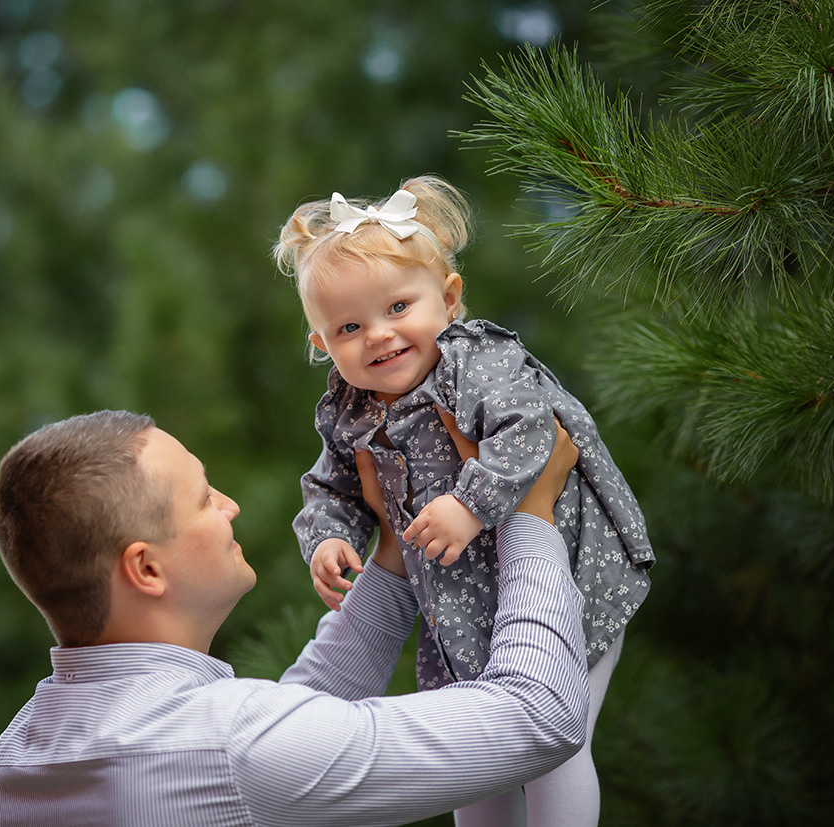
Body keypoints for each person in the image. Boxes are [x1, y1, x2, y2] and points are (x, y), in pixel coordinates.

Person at [0, 408, 588, 826]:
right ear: (146, 570)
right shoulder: (231, 744)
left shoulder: (16, 758)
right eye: (204, 498)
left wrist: (392, 559)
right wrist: (528, 515)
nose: (231, 506)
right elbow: (540, 716)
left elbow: (275, 755)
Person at [273, 175, 655, 826]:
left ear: (448, 299)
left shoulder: (475, 360)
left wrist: (471, 503)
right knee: (473, 767)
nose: (378, 335)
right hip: (456, 606)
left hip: (567, 580)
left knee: (555, 743)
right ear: (323, 347)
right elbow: (330, 484)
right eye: (348, 326)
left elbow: (533, 427)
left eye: (398, 308)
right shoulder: (349, 408)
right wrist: (330, 536)